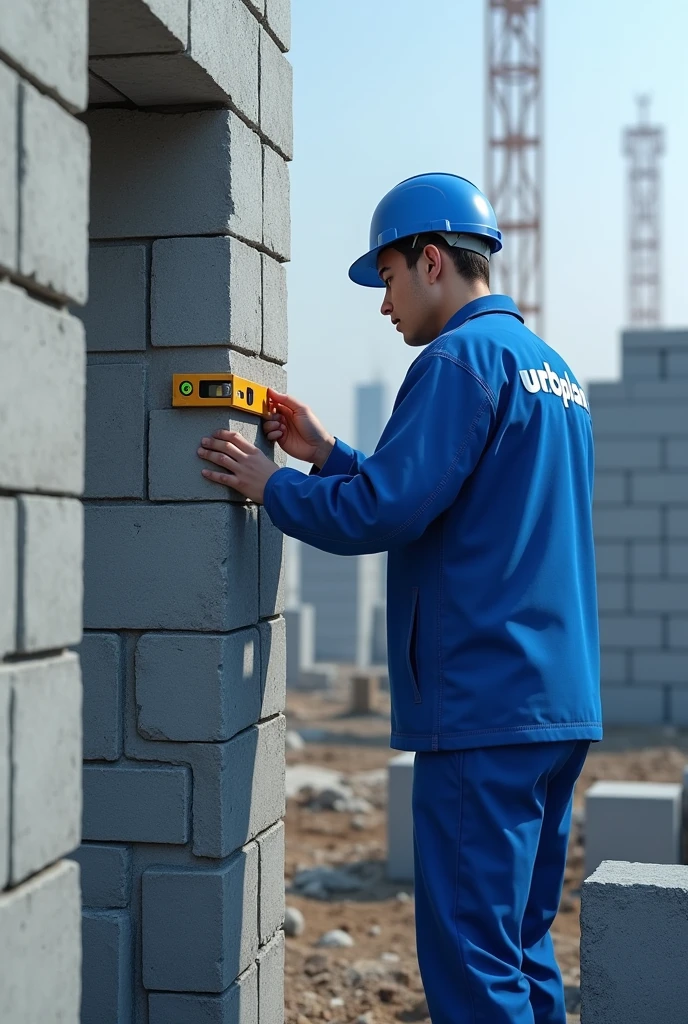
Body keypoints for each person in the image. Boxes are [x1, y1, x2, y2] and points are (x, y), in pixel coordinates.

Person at [197, 172, 601, 1024]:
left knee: (471, 958)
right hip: (555, 705)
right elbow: (459, 501)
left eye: (384, 279)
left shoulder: (458, 359)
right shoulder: (551, 371)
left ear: (429, 261)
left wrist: (270, 484)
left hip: (483, 707)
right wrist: (329, 451)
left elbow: (384, 511)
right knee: (522, 945)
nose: (383, 306)